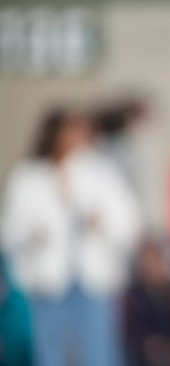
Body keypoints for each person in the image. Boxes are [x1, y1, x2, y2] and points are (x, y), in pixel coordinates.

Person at [1, 106, 142, 366]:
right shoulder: (28, 177)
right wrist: (32, 235)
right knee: (49, 353)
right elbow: (9, 230)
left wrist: (101, 223)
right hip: (48, 282)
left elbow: (129, 223)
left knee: (98, 353)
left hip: (92, 281)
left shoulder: (102, 173)